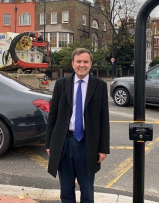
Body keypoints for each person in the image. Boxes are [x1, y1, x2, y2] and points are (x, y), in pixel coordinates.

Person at [45, 48, 110, 203]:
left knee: (87, 190)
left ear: (91, 64)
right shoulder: (61, 84)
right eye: (78, 61)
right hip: (64, 142)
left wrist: (103, 148)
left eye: (85, 61)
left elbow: (103, 119)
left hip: (87, 144)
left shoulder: (99, 85)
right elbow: (52, 116)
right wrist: (49, 144)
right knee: (66, 190)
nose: (82, 65)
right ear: (73, 64)